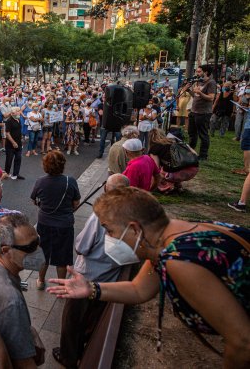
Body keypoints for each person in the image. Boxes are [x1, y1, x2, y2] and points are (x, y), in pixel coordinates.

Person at [47, 187, 250, 367]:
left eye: (109, 230)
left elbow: (243, 343)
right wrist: (91, 289)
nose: (108, 238)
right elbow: (139, 289)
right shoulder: (171, 237)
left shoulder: (179, 260)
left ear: (134, 229)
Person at [53, 174, 130, 368]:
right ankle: (82, 350)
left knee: (72, 322)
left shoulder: (100, 215)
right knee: (90, 320)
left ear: (106, 190)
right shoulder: (134, 214)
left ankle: (69, 357)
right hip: (109, 280)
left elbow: (82, 246)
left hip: (86, 276)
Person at [0, 213, 45, 368]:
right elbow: (24, 363)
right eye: (30, 247)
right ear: (6, 250)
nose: (38, 249)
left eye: (37, 241)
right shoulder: (11, 302)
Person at [31, 150, 80, 290]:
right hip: (64, 224)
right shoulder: (69, 181)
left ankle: (40, 281)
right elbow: (76, 203)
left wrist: (43, 205)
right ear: (62, 165)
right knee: (62, 257)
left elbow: (34, 199)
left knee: (43, 252)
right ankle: (61, 284)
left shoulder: (40, 181)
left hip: (44, 223)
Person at [188, 64, 217, 160]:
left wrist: (200, 92)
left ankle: (203, 155)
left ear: (206, 72)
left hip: (203, 113)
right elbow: (196, 97)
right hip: (194, 111)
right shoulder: (199, 82)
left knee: (203, 134)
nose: (197, 73)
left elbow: (211, 97)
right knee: (192, 133)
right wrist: (189, 90)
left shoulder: (211, 83)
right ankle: (190, 151)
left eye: (199, 71)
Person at [4, 107, 24, 179]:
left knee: (18, 158)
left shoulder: (18, 119)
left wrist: (21, 139)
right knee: (9, 160)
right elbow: (7, 133)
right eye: (18, 111)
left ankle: (16, 174)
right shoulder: (9, 121)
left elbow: (19, 130)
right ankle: (6, 173)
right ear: (13, 113)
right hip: (10, 144)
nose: (20, 112)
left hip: (19, 143)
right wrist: (13, 142)